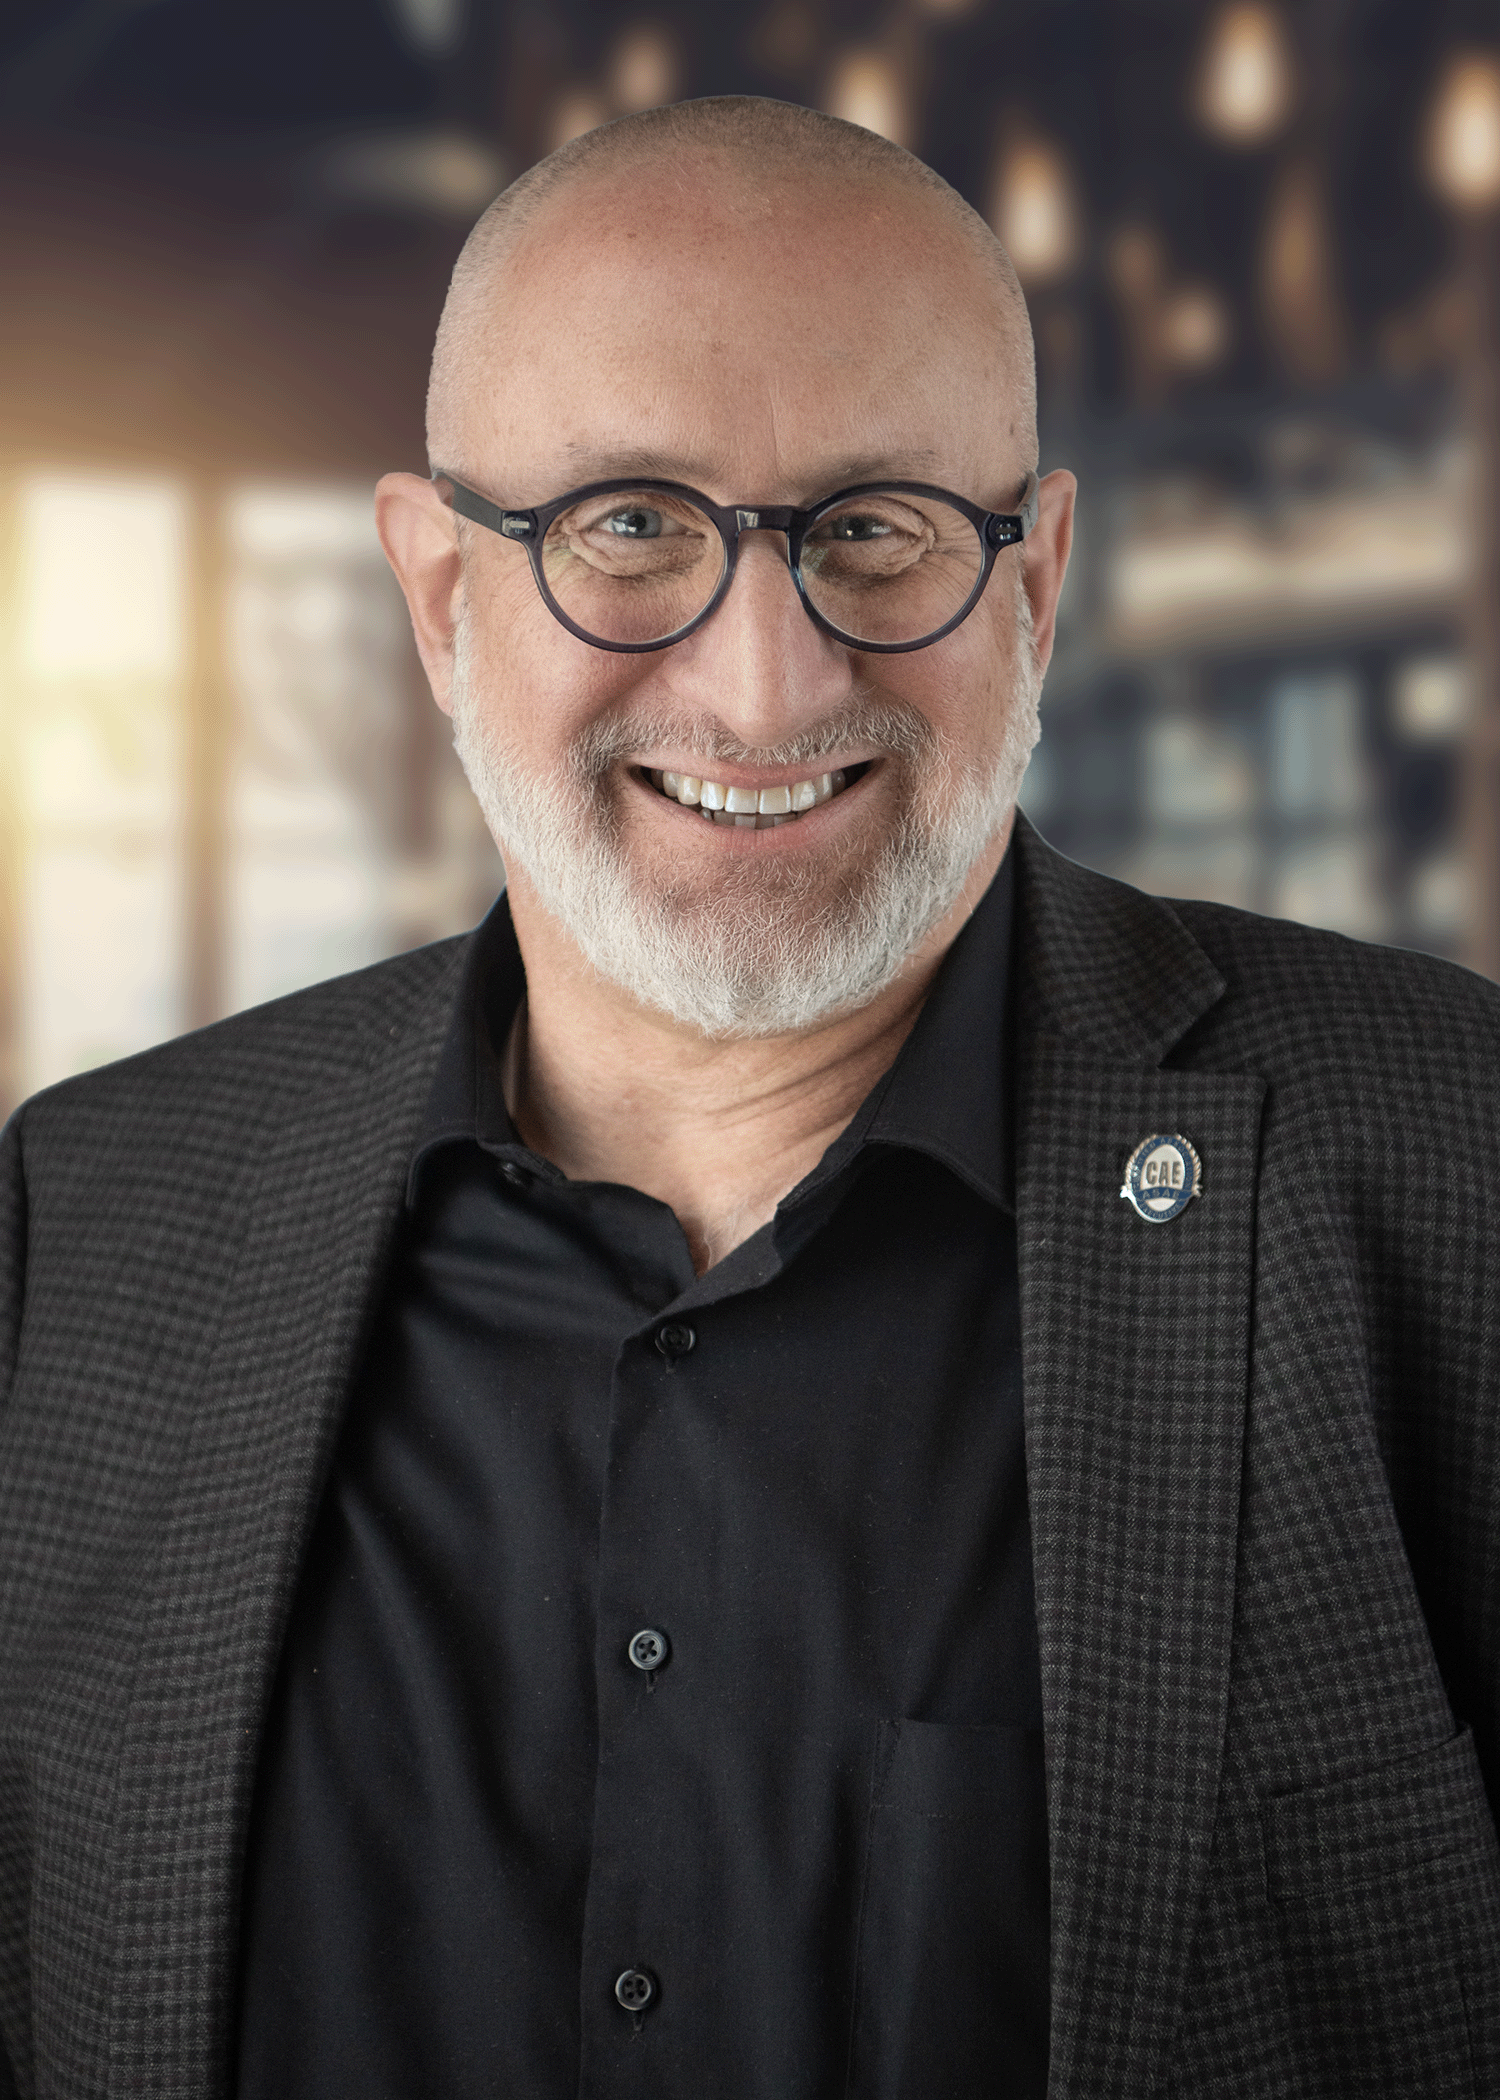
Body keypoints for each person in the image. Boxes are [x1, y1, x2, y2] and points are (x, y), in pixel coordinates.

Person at [0, 93, 1497, 2100]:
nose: (768, 687)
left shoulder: (1455, 1159)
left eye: (877, 529)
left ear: (1038, 583)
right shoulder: (81, 1232)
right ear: (442, 597)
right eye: (629, 526)